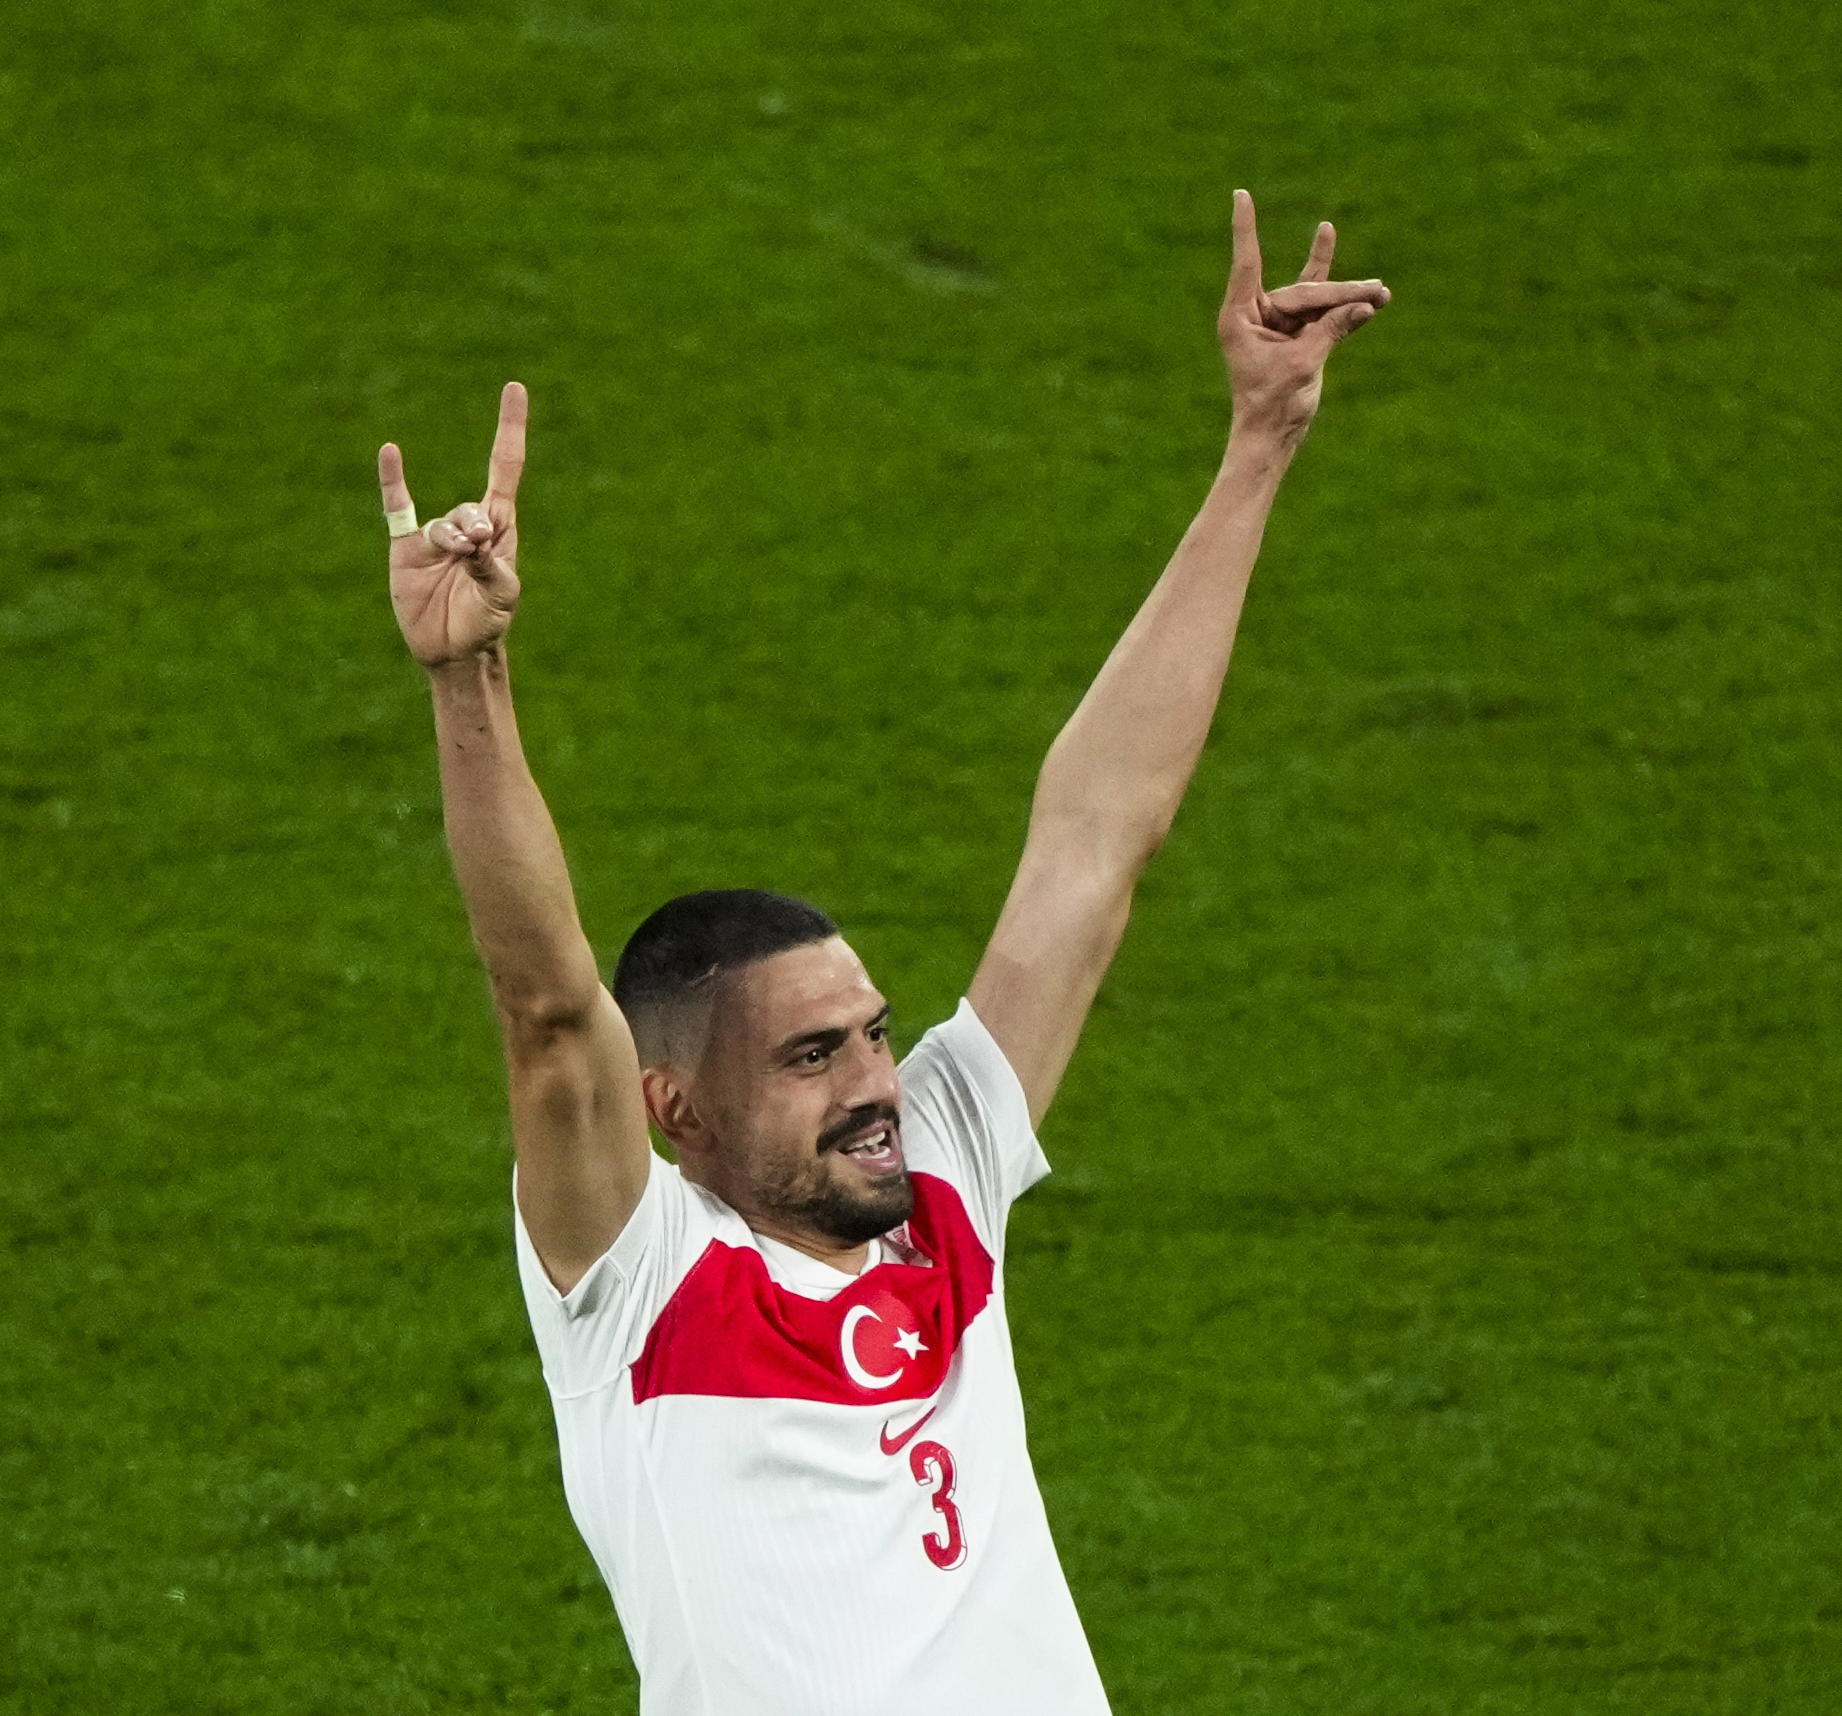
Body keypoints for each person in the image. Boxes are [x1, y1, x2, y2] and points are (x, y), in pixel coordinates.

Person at [375, 191, 1388, 1716]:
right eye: (809, 1054)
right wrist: (473, 681)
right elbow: (542, 1006)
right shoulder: (641, 1284)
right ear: (676, 1111)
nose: (878, 1084)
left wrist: (1259, 451)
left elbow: (1095, 839)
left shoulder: (946, 1185)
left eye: (869, 1033)